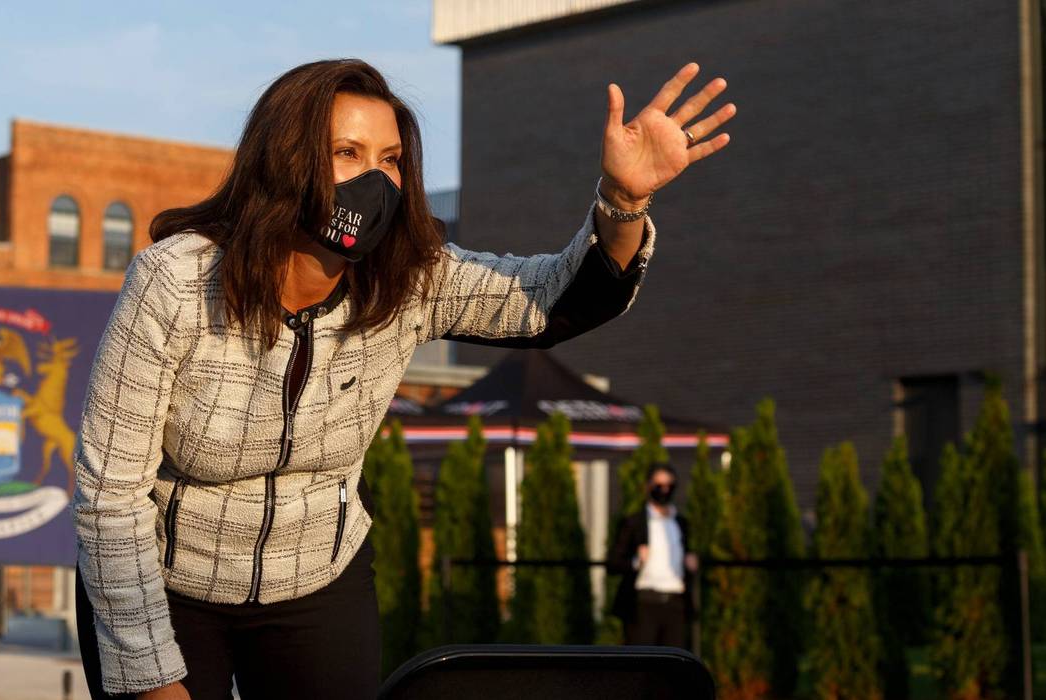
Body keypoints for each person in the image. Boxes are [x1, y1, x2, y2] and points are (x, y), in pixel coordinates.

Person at [70, 58, 735, 700]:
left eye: (390, 160)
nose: (376, 180)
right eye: (347, 154)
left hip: (318, 580)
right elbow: (110, 495)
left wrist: (621, 201)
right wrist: (151, 675)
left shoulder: (409, 277)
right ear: (286, 159)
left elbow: (552, 299)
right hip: (163, 582)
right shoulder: (177, 280)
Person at [609, 462, 700, 648]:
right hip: (644, 604)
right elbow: (613, 563)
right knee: (642, 662)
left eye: (669, 486)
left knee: (673, 662)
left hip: (676, 603)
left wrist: (691, 564)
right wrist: (636, 561)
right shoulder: (634, 523)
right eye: (659, 486)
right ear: (648, 487)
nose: (664, 491)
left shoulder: (681, 523)